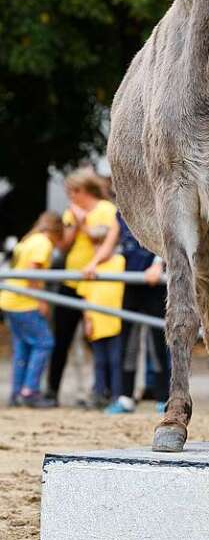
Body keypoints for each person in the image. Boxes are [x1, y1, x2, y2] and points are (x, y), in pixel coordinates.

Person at [46, 167, 119, 403]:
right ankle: (52, 390)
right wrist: (75, 224)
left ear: (81, 190)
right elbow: (63, 246)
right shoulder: (72, 212)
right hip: (71, 281)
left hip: (97, 282)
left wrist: (83, 222)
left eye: (71, 192)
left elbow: (102, 239)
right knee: (61, 339)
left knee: (97, 339)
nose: (69, 197)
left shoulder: (106, 209)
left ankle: (103, 390)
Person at [109, 211, 169, 414]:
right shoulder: (120, 211)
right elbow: (112, 241)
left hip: (154, 282)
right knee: (128, 341)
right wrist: (93, 264)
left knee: (158, 342)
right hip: (131, 280)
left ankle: (163, 397)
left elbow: (167, 234)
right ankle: (125, 396)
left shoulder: (155, 202)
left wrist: (158, 264)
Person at [0, 212, 63, 407]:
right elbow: (32, 272)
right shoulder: (43, 243)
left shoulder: (29, 239)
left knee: (22, 347)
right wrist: (41, 300)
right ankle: (30, 391)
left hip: (10, 300)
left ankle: (17, 392)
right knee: (44, 342)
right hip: (24, 302)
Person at [77, 253, 126, 409]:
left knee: (115, 361)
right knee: (99, 362)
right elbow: (85, 296)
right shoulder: (90, 264)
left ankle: (116, 395)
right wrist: (87, 320)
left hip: (115, 320)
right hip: (96, 321)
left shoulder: (119, 260)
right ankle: (99, 393)